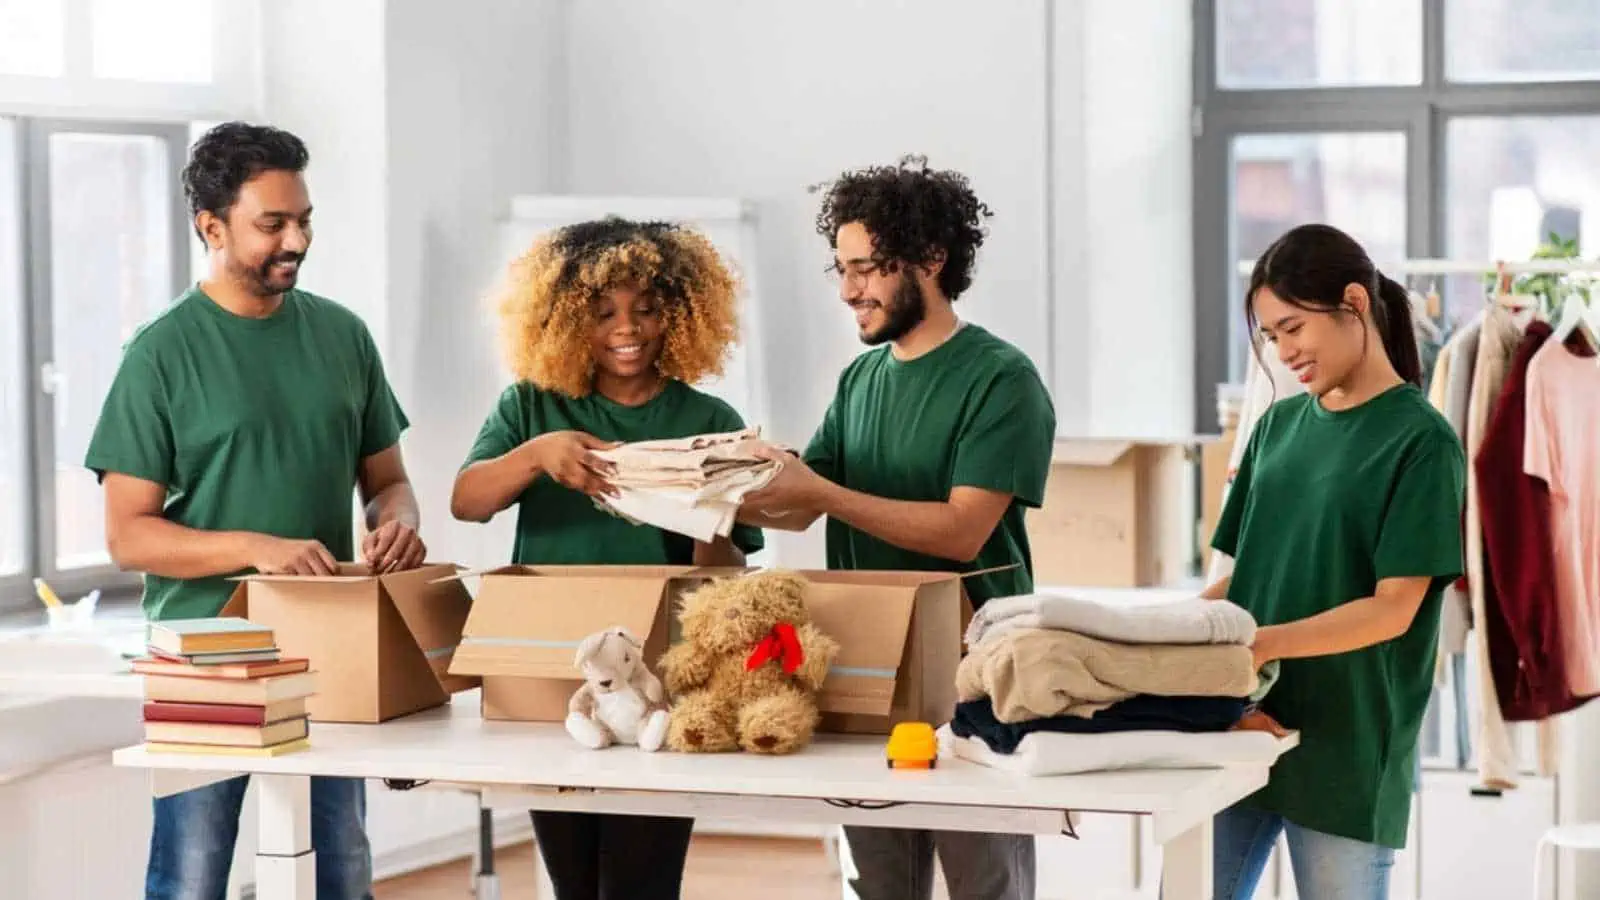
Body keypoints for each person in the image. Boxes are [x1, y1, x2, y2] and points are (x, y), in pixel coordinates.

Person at [86, 122, 424, 899]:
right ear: (212, 228)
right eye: (272, 223)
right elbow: (127, 533)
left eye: (302, 218)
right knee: (192, 874)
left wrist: (395, 520)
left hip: (327, 644)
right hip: (200, 657)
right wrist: (257, 547)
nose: (296, 238)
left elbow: (388, 480)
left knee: (342, 869)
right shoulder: (159, 355)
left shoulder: (343, 337)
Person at [740, 155, 1055, 900]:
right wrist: (714, 485)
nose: (849, 290)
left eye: (869, 268)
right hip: (868, 670)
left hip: (972, 675)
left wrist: (820, 489)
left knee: (986, 883)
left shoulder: (1000, 379)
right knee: (881, 884)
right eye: (841, 269)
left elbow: (961, 533)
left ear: (931, 260)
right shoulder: (862, 378)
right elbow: (802, 498)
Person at [451, 216, 763, 899]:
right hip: (554, 672)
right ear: (564, 320)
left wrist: (701, 499)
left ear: (678, 315)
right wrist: (537, 455)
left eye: (647, 309)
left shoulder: (705, 416)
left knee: (641, 883)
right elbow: (467, 501)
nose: (628, 328)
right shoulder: (532, 407)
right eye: (602, 313)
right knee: (573, 880)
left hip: (657, 678)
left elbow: (727, 571)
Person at [1197, 223, 1466, 900]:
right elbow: (1246, 575)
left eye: (1293, 328)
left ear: (1353, 302)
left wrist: (1261, 645)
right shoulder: (1276, 429)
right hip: (1244, 726)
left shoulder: (1422, 441)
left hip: (1345, 751)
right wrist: (1167, 640)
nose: (1285, 352)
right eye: (1271, 338)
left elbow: (1393, 608)